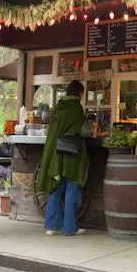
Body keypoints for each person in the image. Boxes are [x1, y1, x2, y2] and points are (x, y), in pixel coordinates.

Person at [36, 80, 89, 236]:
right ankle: (69, 228)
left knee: (55, 187)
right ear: (80, 92)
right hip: (73, 155)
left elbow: (53, 131)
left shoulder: (58, 107)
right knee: (72, 189)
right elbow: (83, 131)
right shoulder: (76, 108)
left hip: (56, 153)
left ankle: (52, 226)